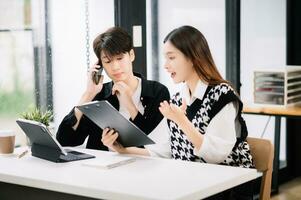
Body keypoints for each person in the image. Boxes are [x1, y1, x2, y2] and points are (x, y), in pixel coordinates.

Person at [102, 25, 254, 167]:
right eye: (165, 58)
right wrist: (123, 150)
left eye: (172, 58)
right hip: (191, 181)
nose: (165, 65)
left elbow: (215, 156)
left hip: (227, 187)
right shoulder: (178, 98)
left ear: (193, 57)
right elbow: (167, 151)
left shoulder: (222, 95)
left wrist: (182, 121)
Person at [56, 27, 170, 151]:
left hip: (141, 167)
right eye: (108, 61)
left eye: (120, 58)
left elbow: (152, 146)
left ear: (131, 55)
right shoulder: (99, 94)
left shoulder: (156, 92)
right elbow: (65, 140)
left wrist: (130, 104)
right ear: (100, 65)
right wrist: (88, 94)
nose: (115, 67)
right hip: (102, 167)